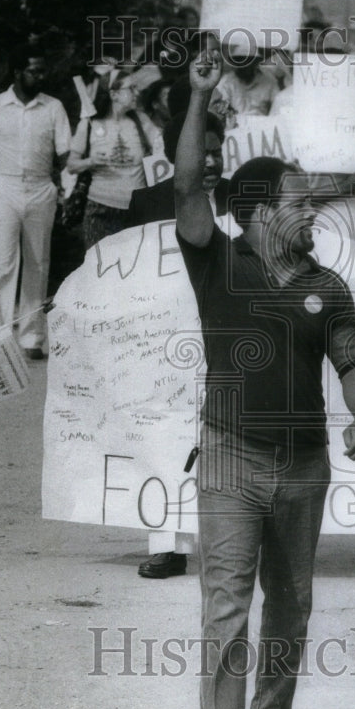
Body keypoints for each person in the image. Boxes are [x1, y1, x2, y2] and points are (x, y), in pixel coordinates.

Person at [174, 45, 355, 709]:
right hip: (229, 456)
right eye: (298, 203)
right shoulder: (217, 261)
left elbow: (354, 356)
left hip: (304, 465)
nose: (310, 212)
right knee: (226, 600)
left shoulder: (328, 282)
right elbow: (189, 184)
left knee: (289, 602)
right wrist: (197, 99)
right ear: (259, 215)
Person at [123, 109, 230, 579]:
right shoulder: (146, 203)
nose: (209, 161)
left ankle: (231, 539)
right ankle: (168, 543)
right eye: (199, 151)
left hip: (226, 336)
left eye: (216, 151)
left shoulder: (240, 199)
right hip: (164, 338)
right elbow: (121, 270)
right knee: (166, 432)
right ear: (174, 154)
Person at [0, 45, 71, 359]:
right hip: (3, 189)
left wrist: (68, 193)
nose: (41, 75)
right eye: (34, 70)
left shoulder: (53, 108)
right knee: (1, 266)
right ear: (17, 72)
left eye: (42, 70)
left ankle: (32, 338)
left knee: (38, 264)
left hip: (40, 190)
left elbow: (66, 156)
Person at [65, 68, 158, 250]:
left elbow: (163, 146)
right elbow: (71, 165)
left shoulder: (141, 121)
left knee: (133, 271)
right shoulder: (90, 124)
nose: (136, 93)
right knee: (100, 271)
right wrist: (90, 161)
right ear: (114, 94)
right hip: (100, 210)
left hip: (136, 211)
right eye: (131, 88)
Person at [210, 50, 279, 125]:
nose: (244, 65)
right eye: (240, 61)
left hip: (263, 126)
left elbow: (278, 107)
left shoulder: (269, 82)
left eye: (248, 61)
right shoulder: (227, 83)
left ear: (254, 63)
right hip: (235, 128)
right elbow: (219, 109)